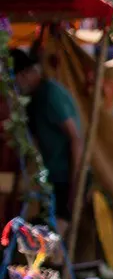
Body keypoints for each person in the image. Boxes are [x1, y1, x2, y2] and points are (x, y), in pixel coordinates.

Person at [9, 50, 81, 227]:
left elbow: (76, 139)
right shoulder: (33, 100)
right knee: (46, 234)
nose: (16, 86)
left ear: (26, 74)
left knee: (56, 235)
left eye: (16, 79)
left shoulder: (50, 94)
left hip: (66, 177)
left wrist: (76, 183)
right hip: (52, 179)